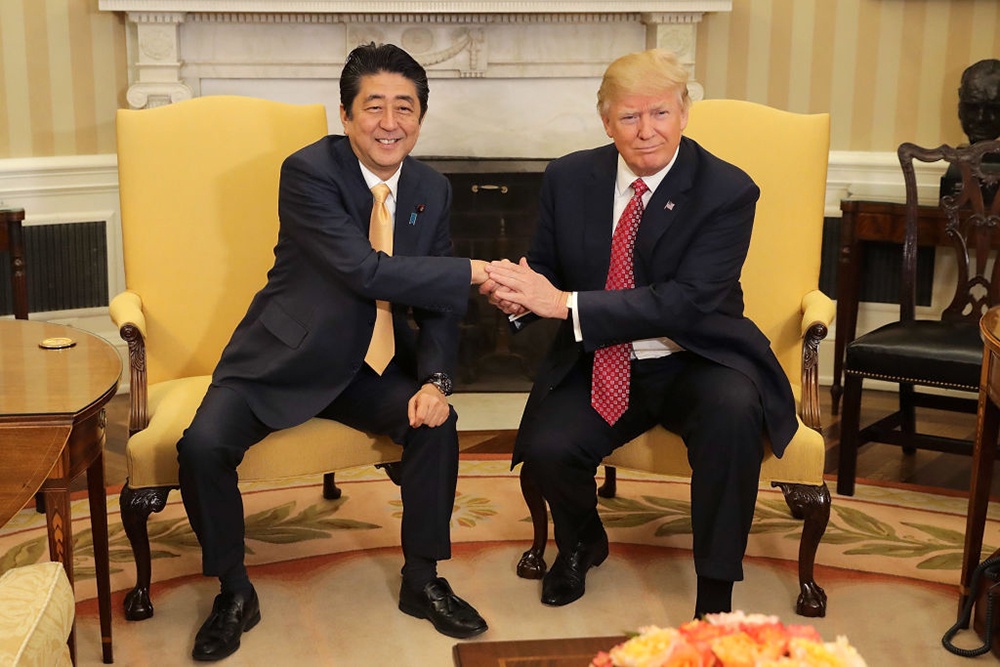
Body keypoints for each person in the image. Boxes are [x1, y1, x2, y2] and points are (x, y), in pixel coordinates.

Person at [177, 42, 489, 662]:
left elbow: (437, 303)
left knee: (436, 424)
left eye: (405, 108)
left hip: (368, 368)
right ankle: (234, 591)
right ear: (345, 115)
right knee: (201, 448)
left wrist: (436, 381)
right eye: (374, 107)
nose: (389, 123)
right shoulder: (309, 172)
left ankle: (422, 580)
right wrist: (474, 271)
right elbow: (365, 271)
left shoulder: (431, 187)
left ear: (421, 118)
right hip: (283, 358)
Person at [481, 48, 798, 618]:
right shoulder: (569, 177)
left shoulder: (727, 190)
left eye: (660, 113)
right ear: (607, 122)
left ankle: (715, 592)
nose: (646, 130)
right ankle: (582, 542)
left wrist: (563, 303)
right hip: (602, 356)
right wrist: (518, 295)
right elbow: (546, 266)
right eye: (629, 116)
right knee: (547, 449)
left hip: (699, 357)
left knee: (732, 417)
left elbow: (687, 301)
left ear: (684, 113)